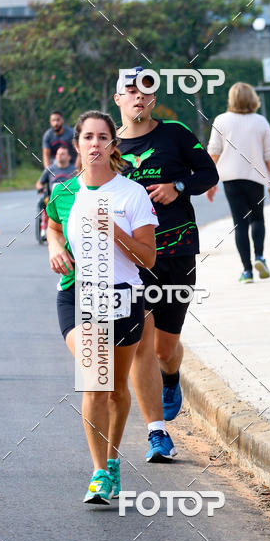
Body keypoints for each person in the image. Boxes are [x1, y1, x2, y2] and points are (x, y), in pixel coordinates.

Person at [46, 110, 158, 503]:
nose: (95, 143)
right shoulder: (64, 192)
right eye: (88, 137)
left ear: (113, 145)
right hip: (78, 293)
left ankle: (112, 461)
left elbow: (148, 258)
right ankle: (97, 473)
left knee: (116, 389)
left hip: (124, 295)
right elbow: (53, 225)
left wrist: (115, 232)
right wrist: (56, 248)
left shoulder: (132, 194)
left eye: (102, 137)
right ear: (77, 144)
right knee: (95, 376)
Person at [114, 67, 219, 459]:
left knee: (164, 349)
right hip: (130, 259)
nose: (138, 97)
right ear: (118, 99)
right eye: (130, 91)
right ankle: (156, 432)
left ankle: (171, 377)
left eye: (146, 91)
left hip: (176, 250)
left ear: (153, 99)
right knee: (141, 343)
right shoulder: (109, 146)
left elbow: (208, 173)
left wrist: (178, 187)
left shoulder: (175, 133)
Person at [206, 82, 270, 283]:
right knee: (257, 218)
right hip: (255, 178)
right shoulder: (261, 121)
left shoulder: (221, 120)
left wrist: (210, 182)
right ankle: (259, 257)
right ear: (252, 98)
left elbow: (214, 152)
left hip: (230, 179)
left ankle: (247, 271)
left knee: (240, 223)